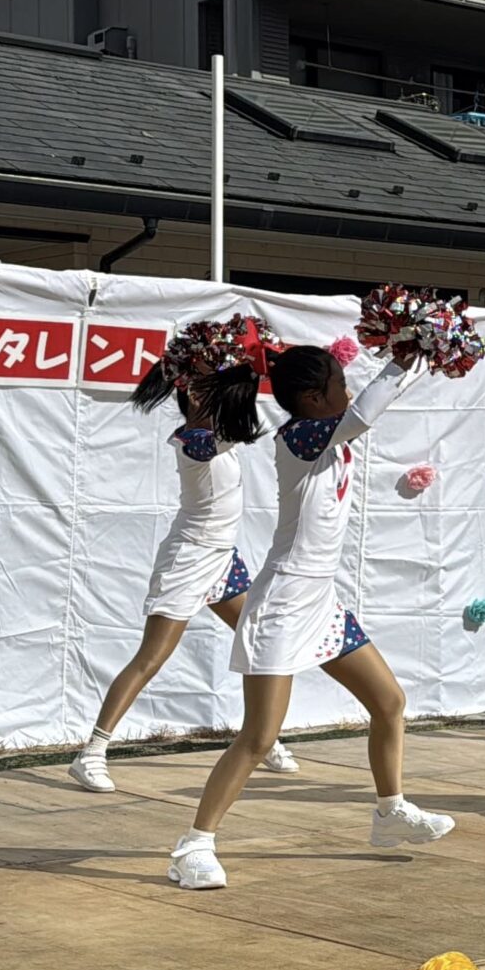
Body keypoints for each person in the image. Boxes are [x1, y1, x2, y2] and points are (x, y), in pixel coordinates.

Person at [166, 344, 459, 889]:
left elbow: (365, 412)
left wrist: (421, 354)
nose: (348, 394)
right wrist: (404, 356)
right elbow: (365, 413)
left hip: (322, 602)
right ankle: (194, 846)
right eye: (340, 385)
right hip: (281, 605)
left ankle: (389, 811)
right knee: (259, 736)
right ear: (312, 398)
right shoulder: (299, 437)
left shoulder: (328, 434)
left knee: (390, 702)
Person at [71, 327, 295, 791]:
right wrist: (256, 368)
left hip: (222, 559)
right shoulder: (194, 441)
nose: (226, 400)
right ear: (192, 393)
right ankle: (92, 751)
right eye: (212, 390)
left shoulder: (216, 435)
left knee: (260, 639)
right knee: (151, 658)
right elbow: (239, 430)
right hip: (188, 560)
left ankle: (262, 735)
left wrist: (259, 364)